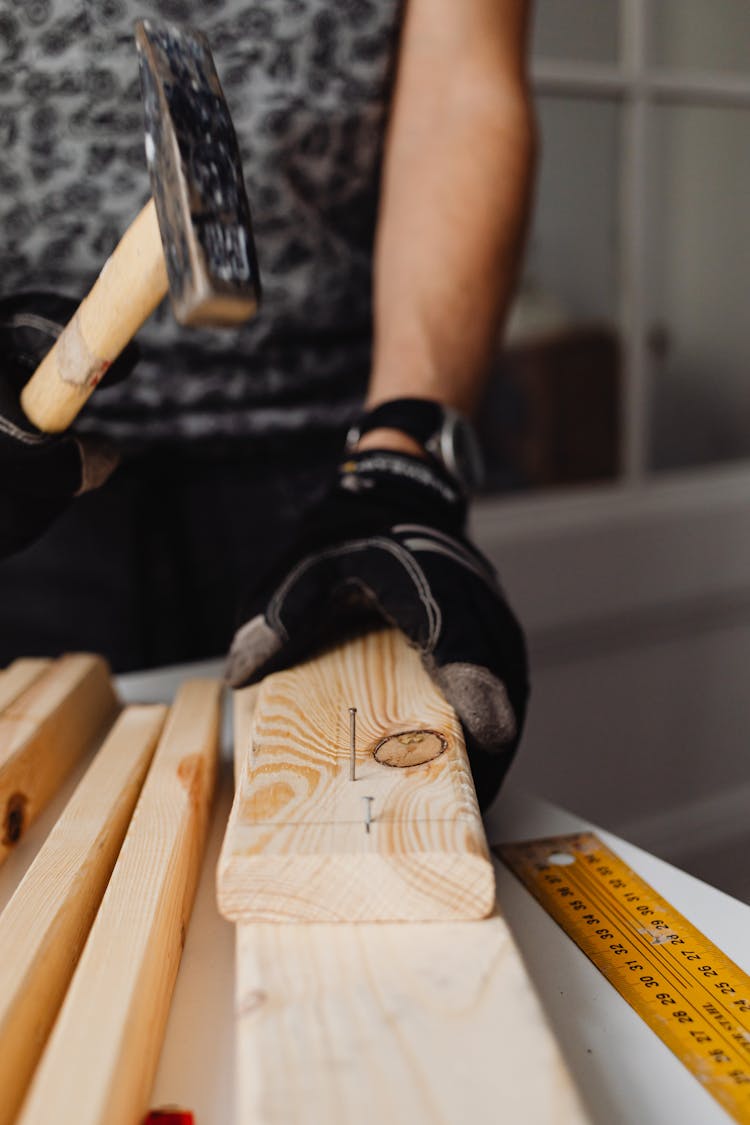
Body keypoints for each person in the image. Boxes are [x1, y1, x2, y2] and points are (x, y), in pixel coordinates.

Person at [0, 0, 536, 808]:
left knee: (346, 817)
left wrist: (403, 455)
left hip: (327, 473)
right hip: (30, 472)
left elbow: (462, 90)